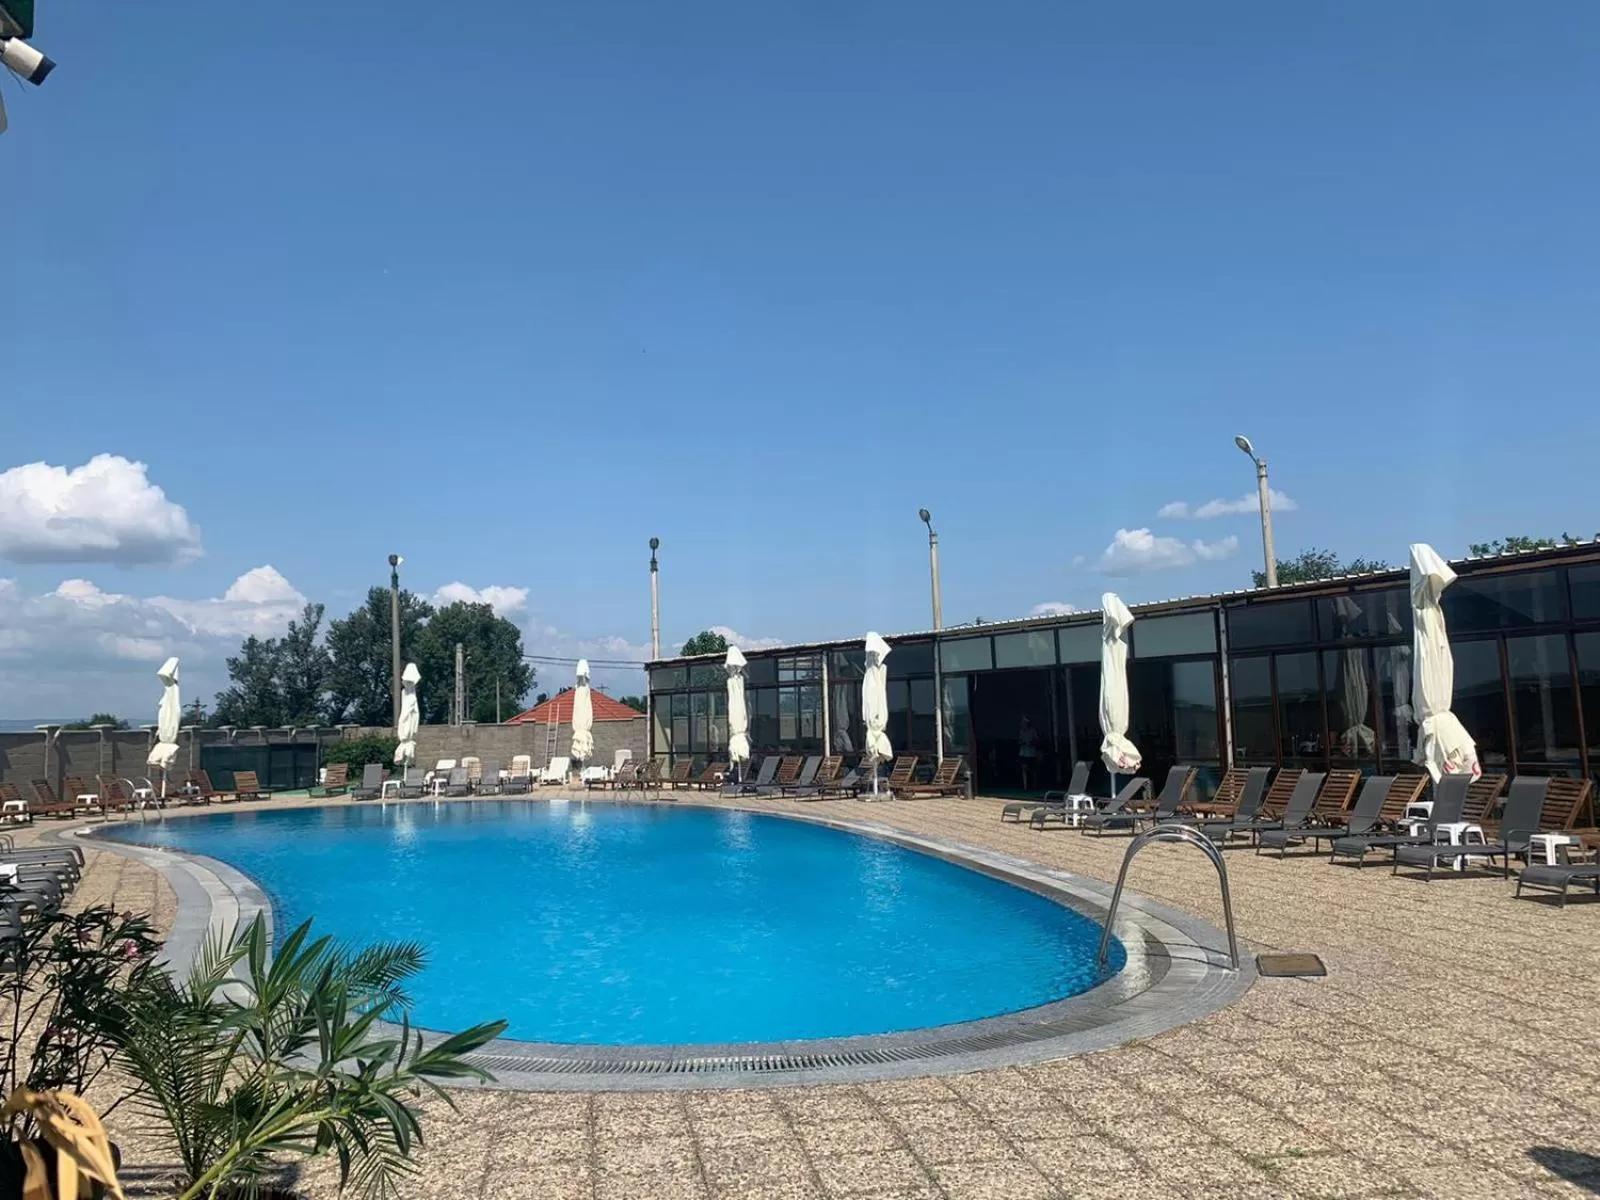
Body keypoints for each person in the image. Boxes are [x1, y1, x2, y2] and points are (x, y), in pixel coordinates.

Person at [1018, 715, 1039, 791]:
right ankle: (1025, 786)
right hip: (1023, 753)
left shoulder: (1033, 730)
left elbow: (1037, 741)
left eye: (1025, 722)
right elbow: (1019, 741)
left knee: (1033, 771)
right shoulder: (1021, 731)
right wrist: (1022, 742)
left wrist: (1031, 743)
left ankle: (1034, 786)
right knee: (1024, 769)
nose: (1024, 724)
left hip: (1032, 753)